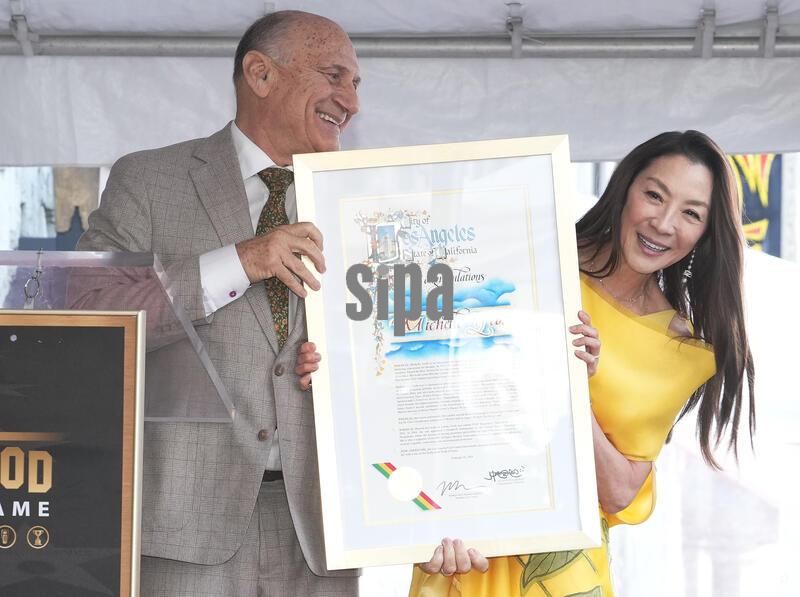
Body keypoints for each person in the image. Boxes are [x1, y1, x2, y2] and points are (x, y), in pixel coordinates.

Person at [75, 10, 361, 597]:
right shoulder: (151, 180)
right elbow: (87, 315)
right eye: (335, 76)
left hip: (324, 532)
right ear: (260, 74)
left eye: (356, 85)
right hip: (184, 525)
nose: (350, 101)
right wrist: (242, 261)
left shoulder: (364, 197)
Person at [405, 130, 756, 596]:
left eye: (691, 213)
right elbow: (423, 376)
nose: (664, 223)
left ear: (705, 234)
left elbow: (617, 492)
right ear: (624, 189)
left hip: (562, 572)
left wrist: (567, 385)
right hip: (461, 539)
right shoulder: (532, 264)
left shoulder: (681, 350)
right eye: (655, 195)